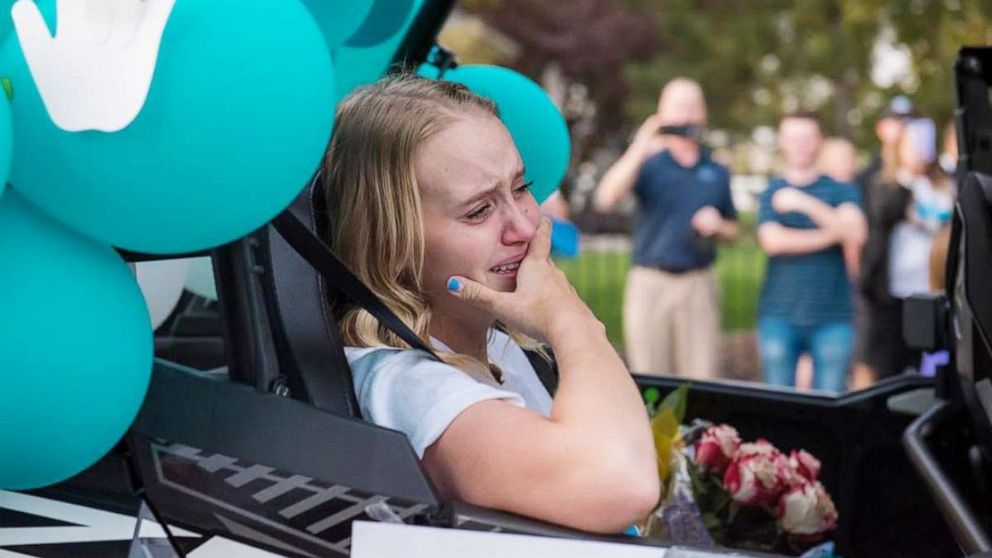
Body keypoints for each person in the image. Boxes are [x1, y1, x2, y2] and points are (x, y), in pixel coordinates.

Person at [322, 75, 658, 533]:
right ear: (392, 243)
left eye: (521, 188)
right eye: (478, 211)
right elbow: (622, 483)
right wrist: (571, 319)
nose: (524, 225)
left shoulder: (496, 345)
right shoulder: (405, 385)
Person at [594, 78, 738, 378]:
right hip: (650, 283)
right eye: (678, 106)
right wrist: (642, 144)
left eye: (692, 106)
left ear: (703, 112)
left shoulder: (717, 169)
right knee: (650, 378)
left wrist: (718, 225)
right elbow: (606, 198)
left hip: (699, 283)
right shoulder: (648, 164)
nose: (686, 114)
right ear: (662, 113)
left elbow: (733, 231)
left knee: (703, 377)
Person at [756, 112, 867, 392]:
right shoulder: (772, 191)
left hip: (833, 317)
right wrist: (832, 232)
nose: (800, 145)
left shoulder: (841, 189)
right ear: (782, 142)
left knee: (829, 406)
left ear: (820, 141)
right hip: (779, 315)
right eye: (793, 138)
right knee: (777, 404)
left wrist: (802, 203)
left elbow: (857, 233)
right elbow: (773, 242)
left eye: (807, 138)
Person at [859, 118, 954, 380]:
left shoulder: (942, 185)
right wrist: (906, 178)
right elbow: (883, 213)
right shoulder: (888, 184)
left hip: (932, 287)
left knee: (930, 361)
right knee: (891, 362)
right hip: (895, 293)